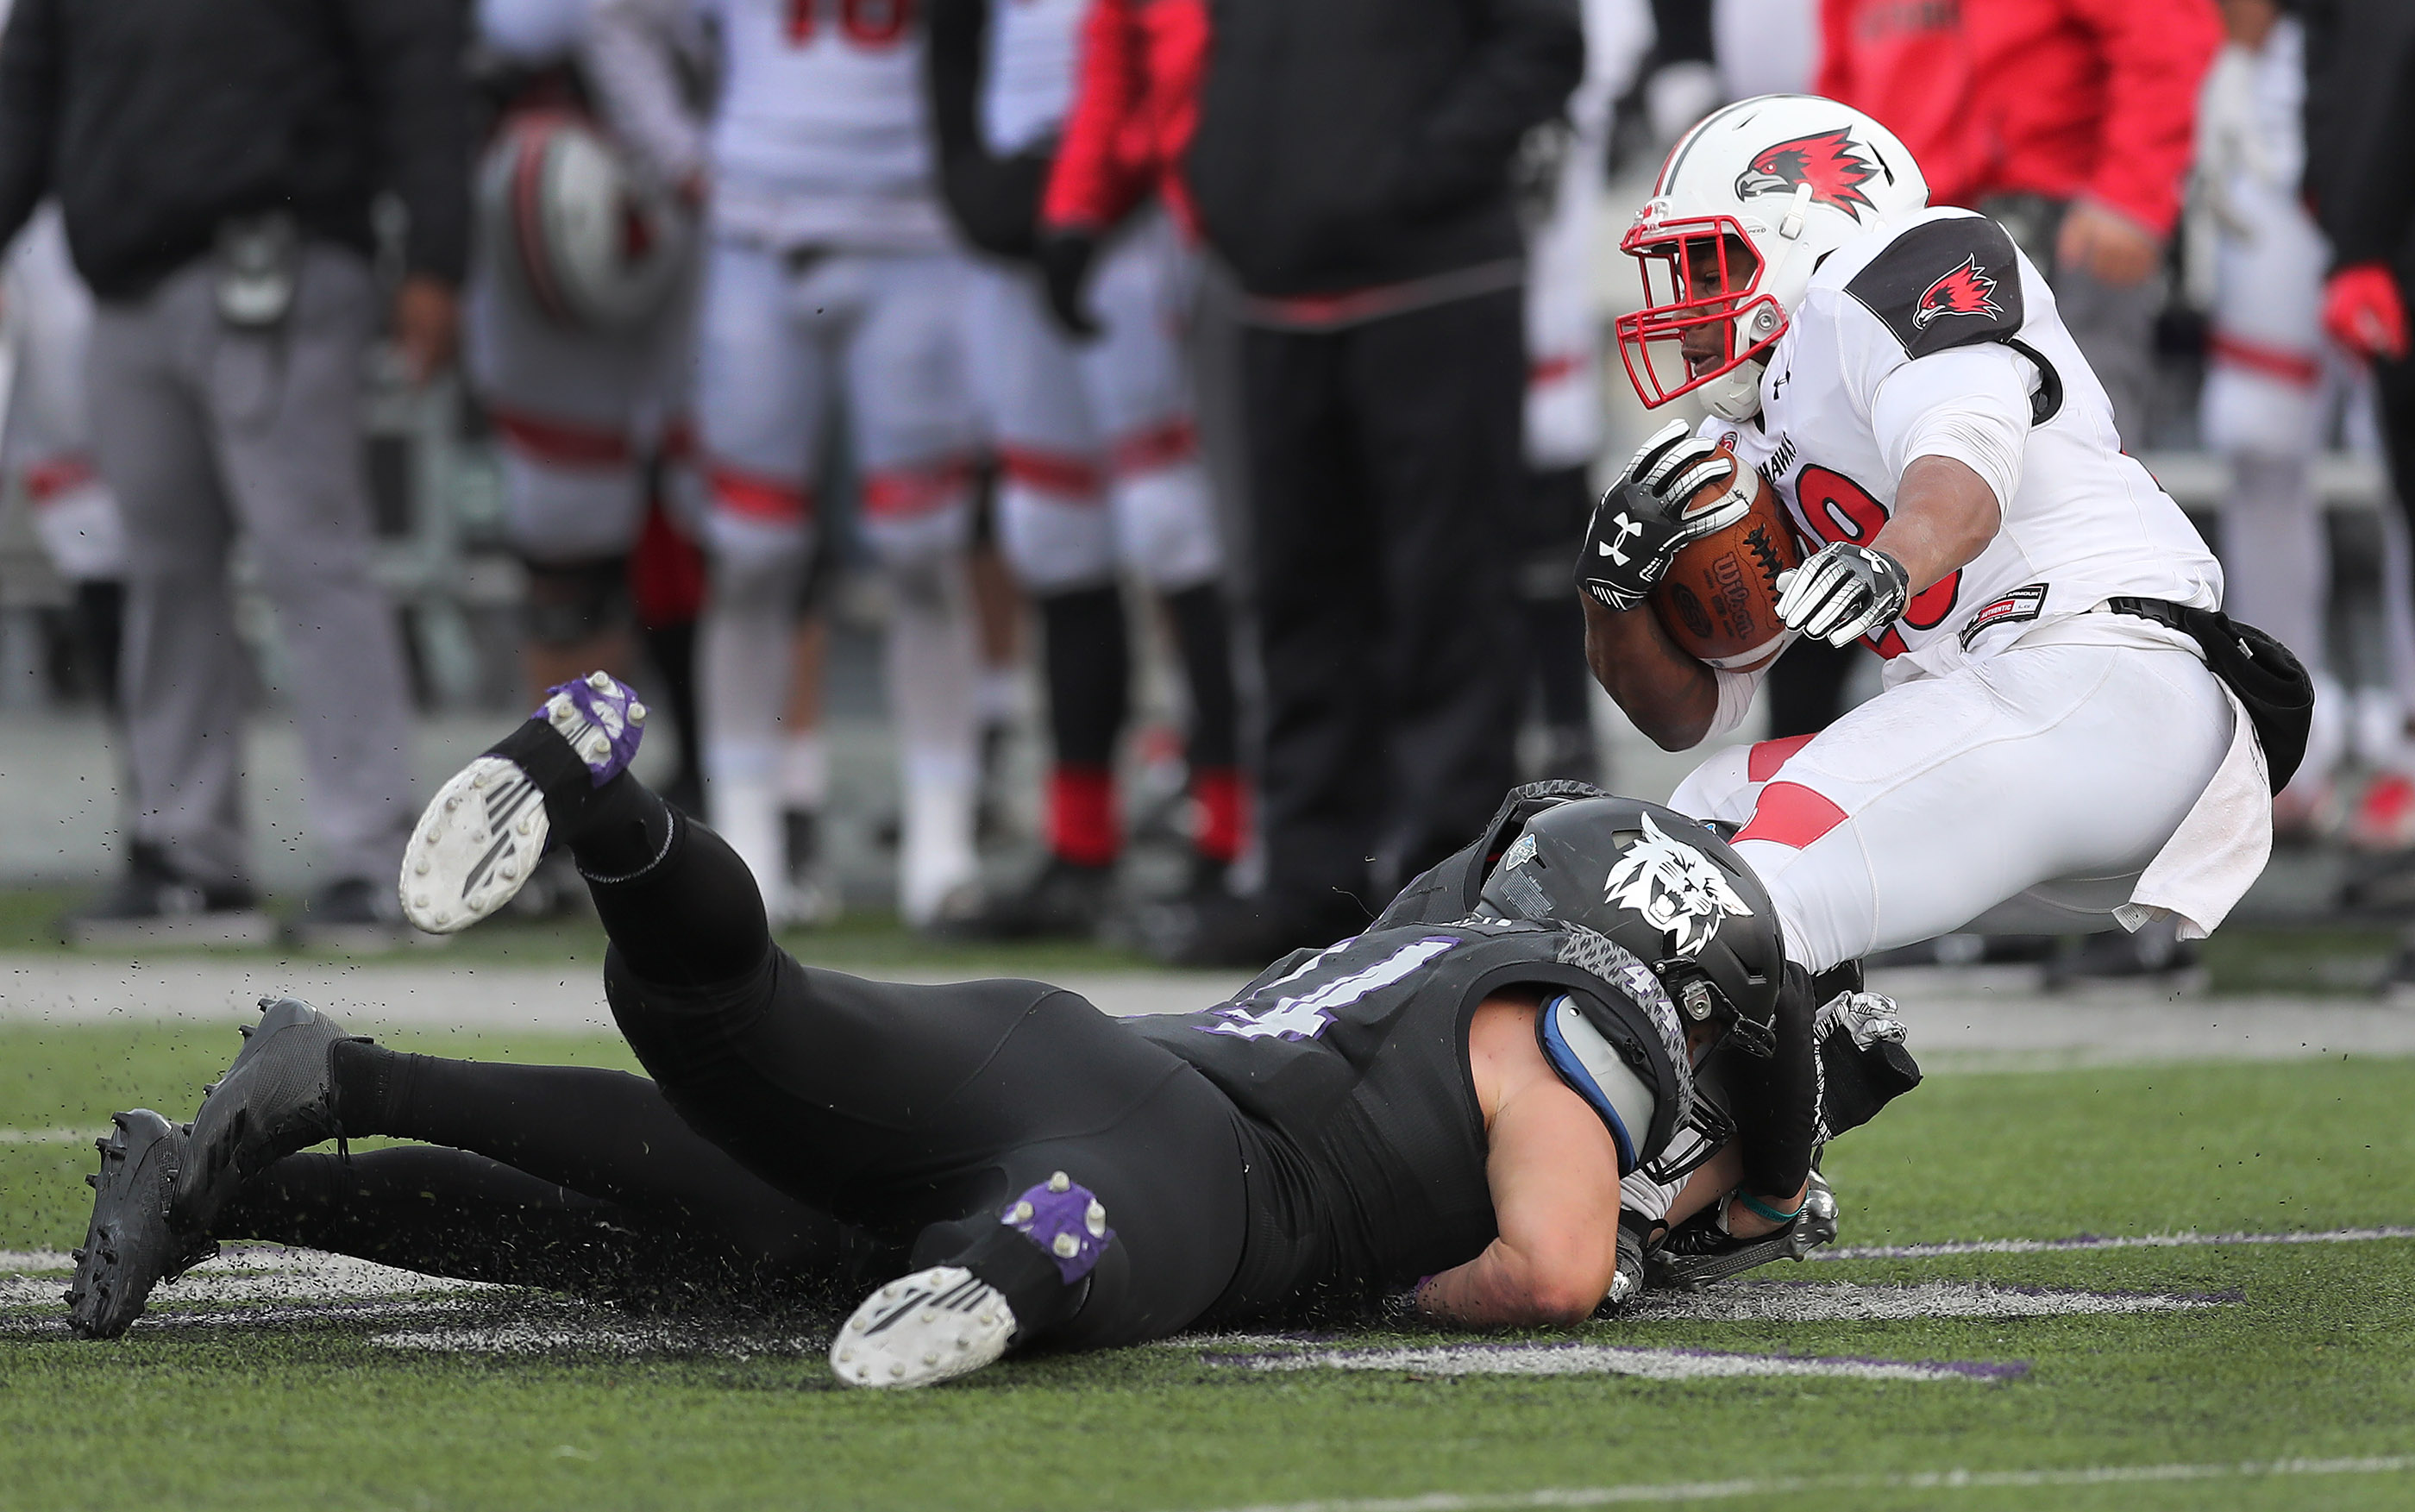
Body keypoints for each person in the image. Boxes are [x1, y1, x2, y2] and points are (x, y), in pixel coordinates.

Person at [66, 674, 1923, 1387]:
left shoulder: (1435, 941)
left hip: (1064, 1049)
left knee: (722, 1108)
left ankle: (334, 1086)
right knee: (1092, 1235)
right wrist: (1637, 1234)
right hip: (1180, 1174)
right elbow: (1545, 1259)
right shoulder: (1580, 1040)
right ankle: (1027, 1271)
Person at [1583, 95, 2300, 977]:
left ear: (1799, 227)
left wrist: (1888, 562)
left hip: (2109, 664)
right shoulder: (1738, 446)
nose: (1686, 308)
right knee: (1695, 824)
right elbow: (1687, 714)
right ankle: (1774, 1096)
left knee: (1732, 901)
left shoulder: (1896, 268)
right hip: (1996, 707)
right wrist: (1610, 597)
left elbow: (1962, 465)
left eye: (1704, 266)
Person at [0, 0, 468, 948]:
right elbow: (24, 88)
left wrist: (437, 255)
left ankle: (380, 859)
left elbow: (419, 64)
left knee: (312, 558)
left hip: (277, 258)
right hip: (125, 278)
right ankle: (189, 856)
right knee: (163, 573)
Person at [1126, 0, 1584, 966]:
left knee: (1446, 595)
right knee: (1296, 600)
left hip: (1433, 282)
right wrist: (1223, 183)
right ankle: (1310, 883)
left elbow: (1543, 44)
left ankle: (1449, 880)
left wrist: (1406, 177)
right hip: (1275, 292)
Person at [588, 0, 986, 930]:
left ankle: (944, 843)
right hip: (761, 239)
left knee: (924, 553)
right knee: (753, 556)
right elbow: (615, 21)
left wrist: (984, 168)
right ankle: (745, 844)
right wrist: (686, 163)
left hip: (916, 237)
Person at [922, 0, 1246, 938]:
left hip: (1137, 211)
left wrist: (1105, 179)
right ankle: (1080, 842)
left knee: (1175, 524)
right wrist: (974, 182)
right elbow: (948, 53)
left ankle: (1227, 836)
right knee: (1050, 530)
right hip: (1013, 226)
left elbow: (1187, 49)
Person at [1815, 0, 2222, 450]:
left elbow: (2164, 39)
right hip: (1904, 233)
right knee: (1906, 458)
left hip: (2061, 233)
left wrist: (2131, 198)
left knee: (2077, 456)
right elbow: (1840, 94)